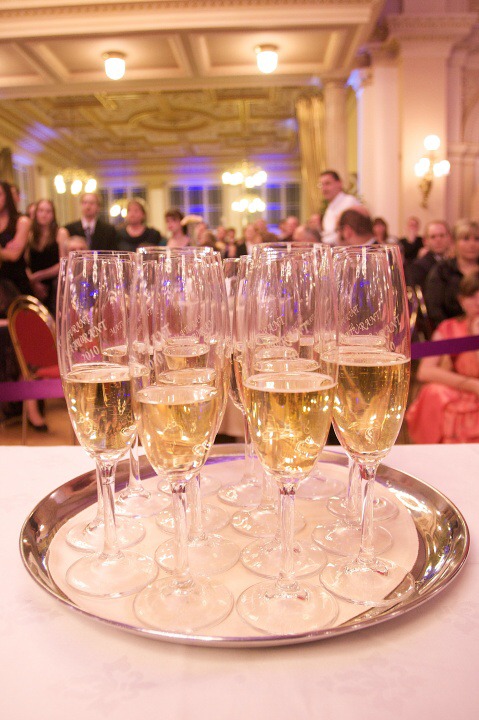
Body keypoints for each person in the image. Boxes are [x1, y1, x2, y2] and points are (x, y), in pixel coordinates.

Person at [406, 271, 479, 444]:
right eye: (472, 296)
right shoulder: (449, 328)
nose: (477, 302)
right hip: (461, 387)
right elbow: (425, 371)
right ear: (461, 300)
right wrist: (471, 385)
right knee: (433, 392)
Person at [424, 220, 479, 329]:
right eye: (466, 239)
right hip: (450, 331)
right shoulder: (442, 270)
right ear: (454, 242)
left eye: (477, 239)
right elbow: (434, 308)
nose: (472, 244)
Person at [25, 199, 68, 316]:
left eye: (48, 211)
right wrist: (33, 281)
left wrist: (39, 276)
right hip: (32, 282)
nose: (44, 214)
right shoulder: (30, 234)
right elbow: (25, 262)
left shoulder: (60, 233)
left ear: (53, 214)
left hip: (54, 281)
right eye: (41, 211)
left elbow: (63, 263)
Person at [0, 180, 31, 314]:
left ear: (7, 196)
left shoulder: (22, 221)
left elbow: (14, 255)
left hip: (15, 283)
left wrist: (6, 253)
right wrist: (4, 251)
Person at [407, 219, 452, 290]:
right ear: (425, 241)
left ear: (449, 238)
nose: (438, 240)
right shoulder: (418, 267)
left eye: (442, 235)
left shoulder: (454, 263)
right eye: (433, 237)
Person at [319, 170, 358, 246]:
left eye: (327, 183)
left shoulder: (349, 202)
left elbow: (350, 235)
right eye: (321, 185)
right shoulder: (329, 207)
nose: (324, 189)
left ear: (339, 183)